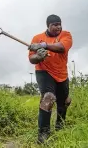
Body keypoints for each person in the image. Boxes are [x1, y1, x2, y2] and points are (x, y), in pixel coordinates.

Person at [28, 14, 73, 144]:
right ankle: (43, 134)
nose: (58, 27)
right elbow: (31, 59)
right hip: (44, 71)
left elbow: (61, 47)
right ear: (48, 26)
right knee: (48, 97)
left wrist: (44, 45)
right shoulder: (37, 38)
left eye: (59, 24)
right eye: (55, 25)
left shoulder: (66, 35)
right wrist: (39, 57)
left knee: (64, 101)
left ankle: (60, 125)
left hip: (61, 73)